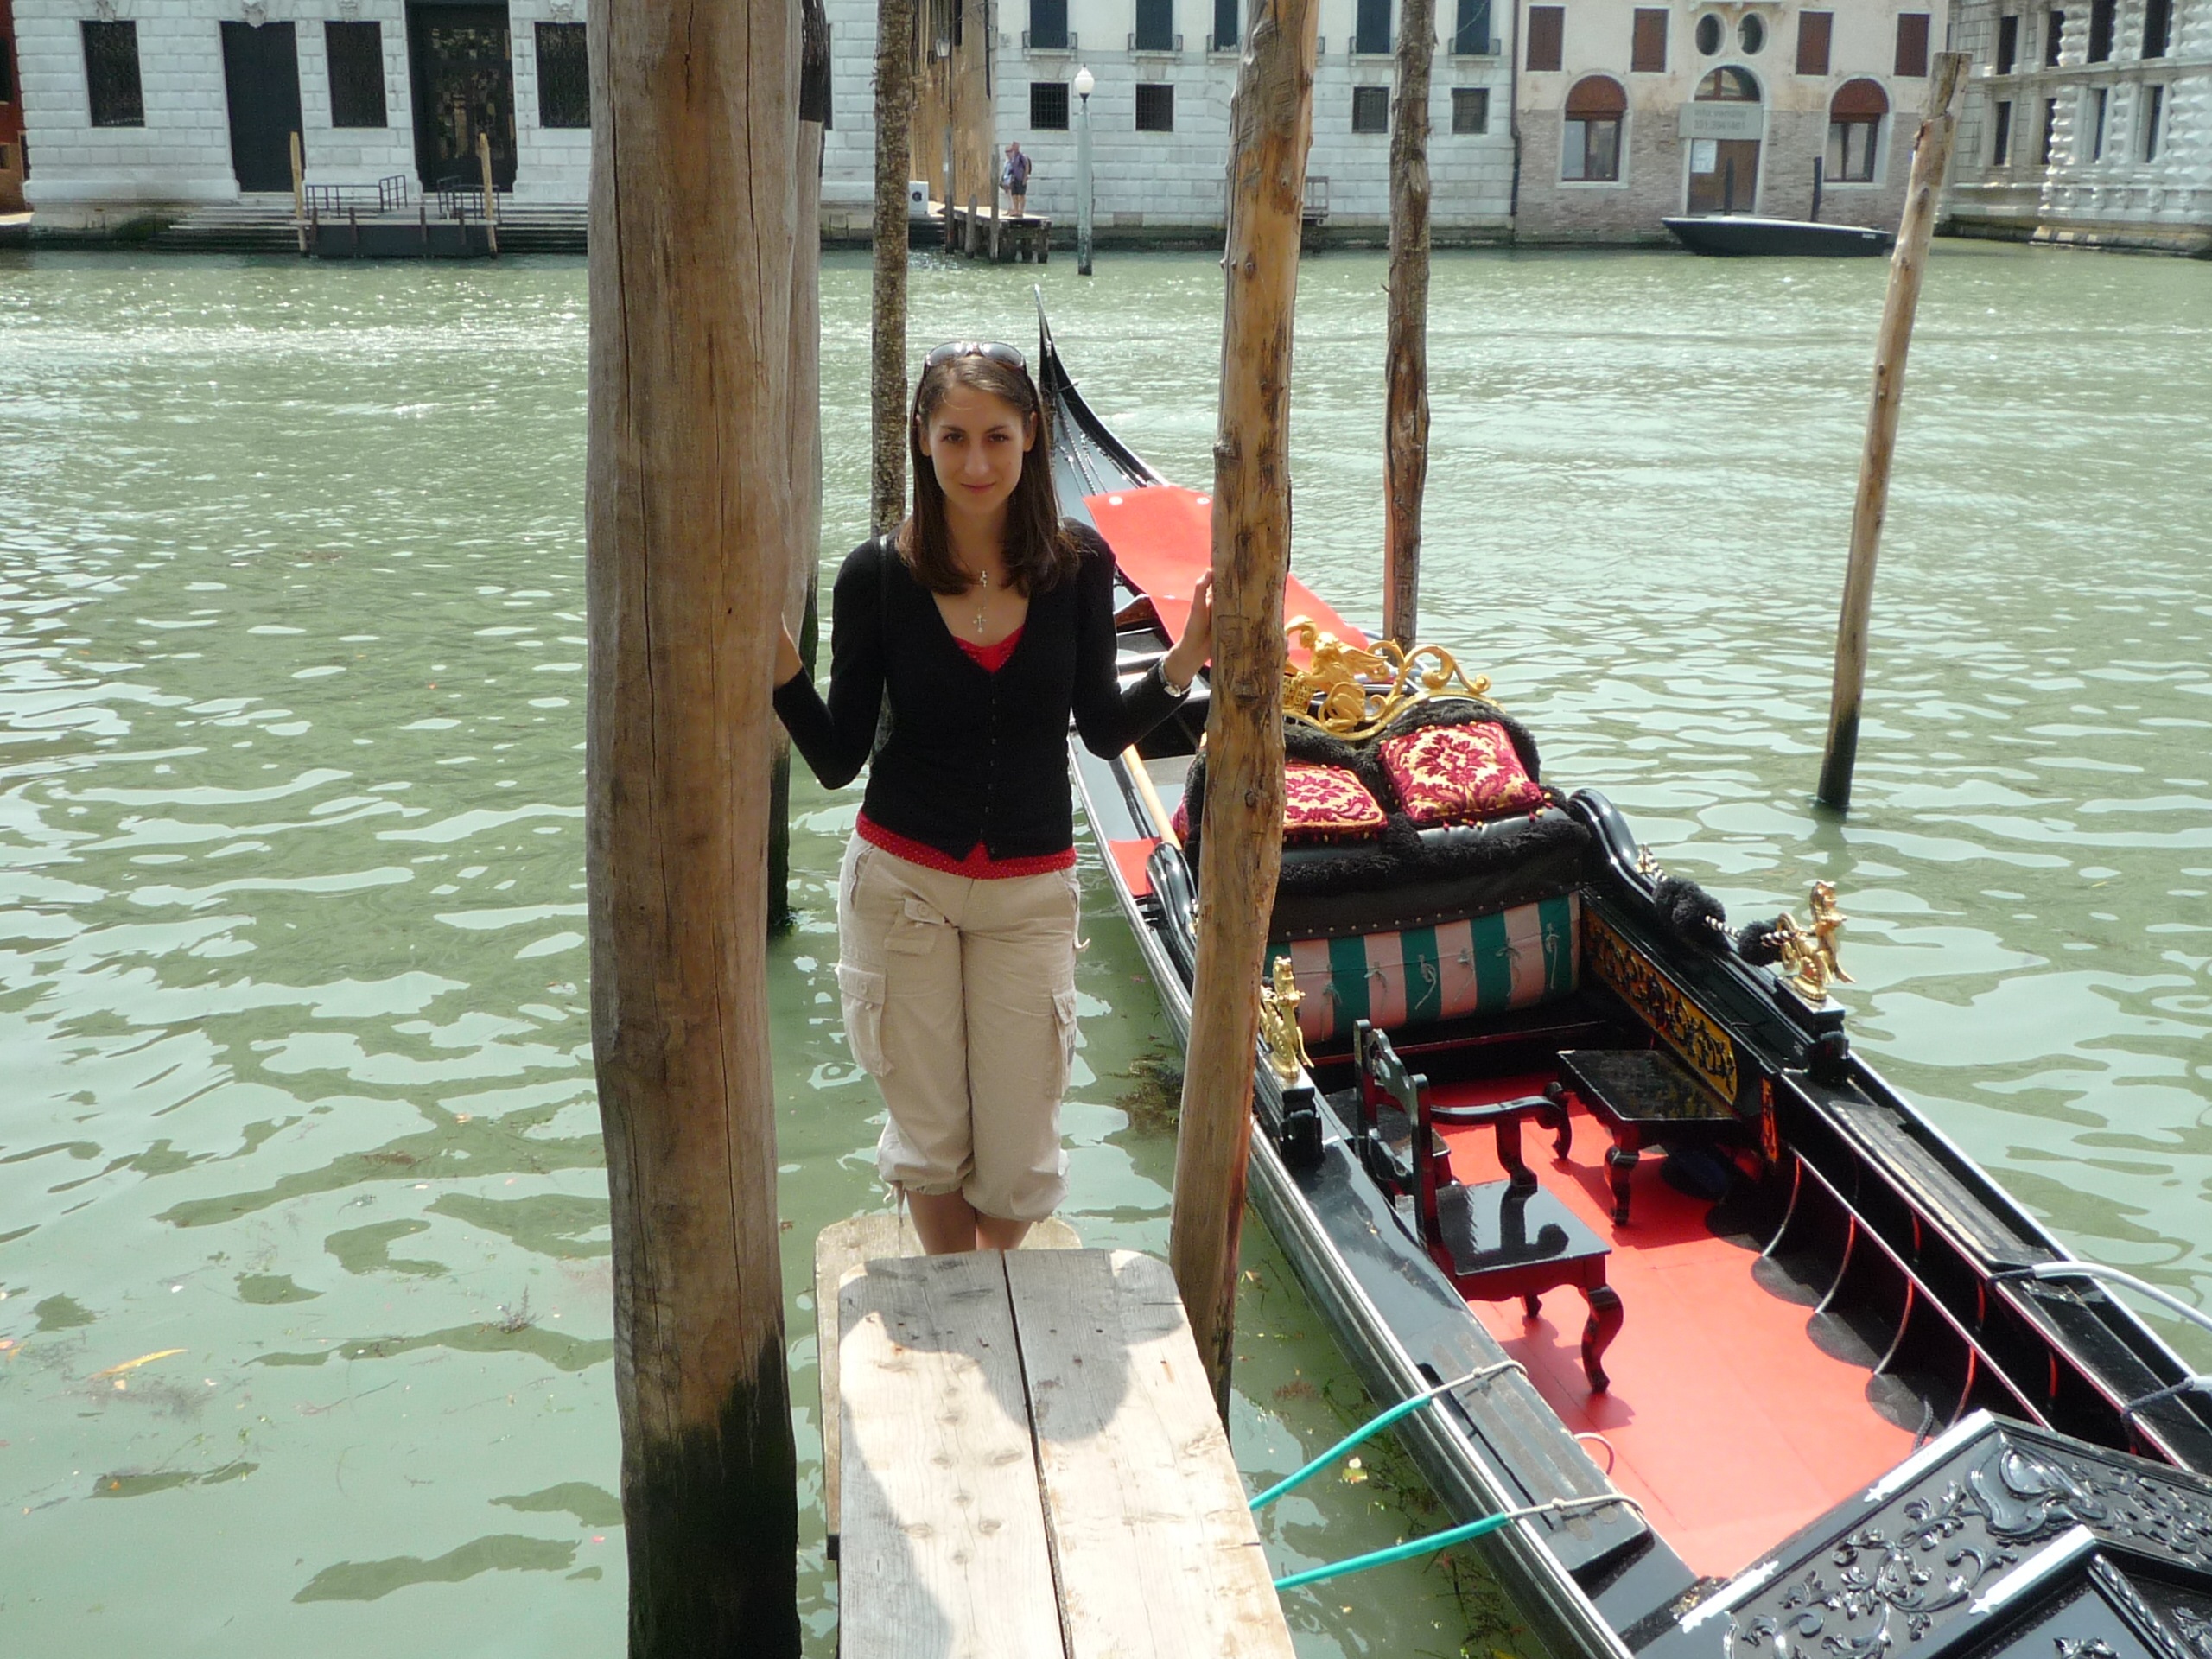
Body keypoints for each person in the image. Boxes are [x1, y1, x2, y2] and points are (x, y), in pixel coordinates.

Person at [773, 341, 1212, 1255]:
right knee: (932, 1155)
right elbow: (837, 758)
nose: (976, 463)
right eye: (954, 438)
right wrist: (778, 669)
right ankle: (961, 1300)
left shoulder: (1079, 566)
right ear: (921, 440)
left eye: (996, 438)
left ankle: (986, 1276)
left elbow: (1100, 729)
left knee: (1017, 1178)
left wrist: (1181, 662)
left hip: (1029, 895)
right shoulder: (876, 576)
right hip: (902, 886)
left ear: (1032, 437)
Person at [1001, 142, 1032, 219]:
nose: (1013, 148)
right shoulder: (1013, 157)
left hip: (1020, 178)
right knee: (1014, 195)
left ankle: (1021, 211)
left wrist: (1025, 178)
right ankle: (1016, 210)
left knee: (1021, 195)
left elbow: (1027, 167)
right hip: (1014, 179)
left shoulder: (1022, 156)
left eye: (1014, 147)